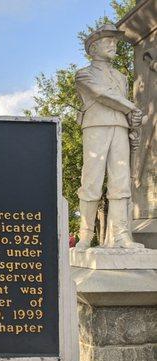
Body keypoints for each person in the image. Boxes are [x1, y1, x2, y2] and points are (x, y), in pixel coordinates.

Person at [75, 24, 144, 249]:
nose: (113, 45)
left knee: (121, 181)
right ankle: (85, 235)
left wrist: (132, 121)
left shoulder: (121, 77)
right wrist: (131, 108)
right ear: (93, 49)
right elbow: (101, 94)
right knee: (92, 179)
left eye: (114, 42)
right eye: (107, 42)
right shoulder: (84, 74)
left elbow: (120, 103)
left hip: (119, 128)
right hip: (96, 126)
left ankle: (121, 235)